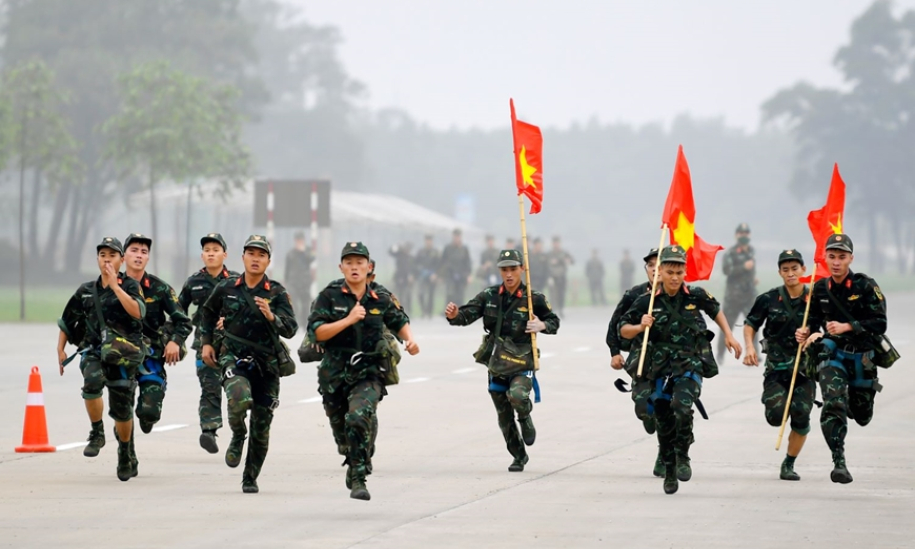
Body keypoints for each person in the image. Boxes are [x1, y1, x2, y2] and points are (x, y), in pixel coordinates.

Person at [620, 245, 742, 495]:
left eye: (679, 271)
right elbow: (623, 329)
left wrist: (728, 334)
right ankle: (669, 465)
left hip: (689, 363)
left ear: (685, 271)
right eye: (669, 271)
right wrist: (640, 327)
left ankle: (683, 455)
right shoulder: (647, 300)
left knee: (682, 408)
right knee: (663, 416)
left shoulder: (695, 295)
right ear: (660, 272)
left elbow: (715, 310)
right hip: (658, 366)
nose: (675, 277)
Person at [308, 241, 420, 501]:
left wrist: (410, 340)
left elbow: (399, 320)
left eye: (360, 263)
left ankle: (358, 478)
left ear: (369, 267)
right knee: (343, 435)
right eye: (349, 263)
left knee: (357, 418)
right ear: (341, 267)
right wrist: (347, 319)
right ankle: (353, 454)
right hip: (334, 374)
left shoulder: (380, 297)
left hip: (369, 371)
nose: (355, 267)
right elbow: (317, 332)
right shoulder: (329, 295)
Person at [445, 249, 560, 473]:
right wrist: (453, 315)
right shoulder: (489, 296)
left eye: (513, 269)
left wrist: (541, 325)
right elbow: (466, 315)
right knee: (503, 414)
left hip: (522, 359)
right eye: (504, 270)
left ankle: (525, 416)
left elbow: (554, 321)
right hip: (497, 360)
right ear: (499, 271)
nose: (509, 274)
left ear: (522, 270)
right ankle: (518, 455)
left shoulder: (532, 298)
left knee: (517, 396)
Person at [199, 235, 298, 493]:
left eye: (261, 255)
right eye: (251, 254)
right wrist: (207, 342)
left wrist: (272, 316)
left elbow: (291, 328)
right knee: (238, 395)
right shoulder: (227, 287)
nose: (255, 259)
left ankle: (250, 477)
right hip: (234, 355)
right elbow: (207, 313)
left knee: (262, 425)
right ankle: (237, 434)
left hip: (267, 363)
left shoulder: (276, 292)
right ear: (242, 257)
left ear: (268, 260)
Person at [800, 234, 894, 484]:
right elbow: (813, 319)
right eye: (832, 257)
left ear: (851, 258)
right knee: (833, 403)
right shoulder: (820, 288)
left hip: (863, 358)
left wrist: (848, 326)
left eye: (842, 257)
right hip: (833, 357)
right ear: (825, 259)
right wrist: (808, 331)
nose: (836, 262)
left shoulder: (865, 286)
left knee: (863, 416)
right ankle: (838, 461)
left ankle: (851, 400)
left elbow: (880, 323)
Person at [57, 237, 146, 481]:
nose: (107, 260)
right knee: (91, 382)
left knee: (122, 410)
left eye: (112, 255)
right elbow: (67, 319)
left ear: (121, 259)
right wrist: (61, 349)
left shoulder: (130, 286)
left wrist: (116, 287)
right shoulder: (86, 290)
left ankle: (125, 452)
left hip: (123, 354)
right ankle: (97, 433)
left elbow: (138, 312)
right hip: (94, 349)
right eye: (102, 255)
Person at [743, 249, 815, 481]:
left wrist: (814, 335)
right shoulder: (768, 298)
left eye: (795, 268)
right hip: (776, 368)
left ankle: (789, 463)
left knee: (801, 414)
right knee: (775, 416)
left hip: (805, 369)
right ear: (780, 272)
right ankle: (775, 403)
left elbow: (830, 326)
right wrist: (750, 347)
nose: (791, 273)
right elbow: (750, 324)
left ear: (804, 270)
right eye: (786, 269)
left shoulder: (815, 299)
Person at [121, 233, 192, 435]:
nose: (139, 256)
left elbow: (183, 321)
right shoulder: (112, 285)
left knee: (150, 413)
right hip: (119, 356)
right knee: (121, 416)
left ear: (148, 258)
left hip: (150, 355)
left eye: (144, 252)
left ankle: (149, 404)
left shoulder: (159, 288)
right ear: (124, 256)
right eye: (134, 250)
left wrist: (175, 342)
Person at [178, 233, 238, 453]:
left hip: (233, 345)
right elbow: (178, 313)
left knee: (235, 391)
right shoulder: (194, 282)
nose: (211, 253)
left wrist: (230, 320)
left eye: (215, 249)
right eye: (207, 250)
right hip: (204, 346)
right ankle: (209, 430)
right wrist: (173, 340)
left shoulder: (236, 281)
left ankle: (238, 433)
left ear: (225, 254)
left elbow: (249, 311)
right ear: (202, 255)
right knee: (210, 387)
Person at [607, 248, 662, 471]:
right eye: (651, 266)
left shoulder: (680, 296)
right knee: (644, 408)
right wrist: (614, 352)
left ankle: (665, 454)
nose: (656, 271)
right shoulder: (635, 296)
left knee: (667, 408)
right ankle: (649, 419)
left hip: (671, 362)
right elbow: (615, 325)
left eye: (661, 267)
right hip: (642, 361)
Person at [718, 223, 757, 362]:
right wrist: (743, 267)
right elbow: (726, 270)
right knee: (727, 326)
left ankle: (754, 354)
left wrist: (753, 279)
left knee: (753, 325)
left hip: (749, 296)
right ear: (736, 235)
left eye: (746, 233)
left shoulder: (751, 251)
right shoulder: (731, 253)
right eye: (741, 233)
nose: (744, 236)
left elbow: (751, 271)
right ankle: (720, 355)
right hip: (733, 297)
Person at [284, 230, 315, 318]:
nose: (299, 242)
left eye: (301, 240)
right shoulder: (290, 253)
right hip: (293, 282)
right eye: (297, 240)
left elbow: (312, 259)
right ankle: (295, 324)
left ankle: (303, 324)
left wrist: (303, 251)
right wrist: (286, 281)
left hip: (305, 282)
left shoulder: (308, 250)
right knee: (294, 304)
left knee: (305, 304)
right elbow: (287, 269)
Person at [439, 228, 472, 305]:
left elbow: (468, 263)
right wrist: (441, 275)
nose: (457, 238)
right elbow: (442, 262)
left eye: (458, 236)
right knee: (450, 295)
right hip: (450, 275)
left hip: (461, 275)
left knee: (460, 296)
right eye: (455, 236)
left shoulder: (464, 249)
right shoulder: (448, 248)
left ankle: (459, 313)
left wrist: (469, 275)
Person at [414, 234, 441, 319]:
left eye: (430, 240)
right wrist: (418, 272)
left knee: (431, 294)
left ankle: (429, 312)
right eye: (427, 240)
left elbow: (439, 264)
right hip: (422, 275)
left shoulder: (435, 252)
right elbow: (415, 263)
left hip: (432, 276)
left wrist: (436, 274)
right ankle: (423, 310)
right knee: (420, 294)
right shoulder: (421, 252)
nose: (428, 242)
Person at [546, 236, 574, 316]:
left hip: (562, 276)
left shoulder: (564, 253)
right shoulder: (549, 254)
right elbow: (546, 265)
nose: (556, 245)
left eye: (557, 243)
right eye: (554, 243)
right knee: (553, 294)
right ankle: (553, 310)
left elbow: (572, 261)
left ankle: (561, 309)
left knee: (561, 294)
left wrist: (567, 260)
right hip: (552, 277)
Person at [388, 241, 415, 315]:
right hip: (399, 277)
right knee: (399, 295)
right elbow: (391, 251)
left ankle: (409, 310)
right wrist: (397, 246)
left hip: (407, 278)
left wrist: (411, 275)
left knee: (408, 294)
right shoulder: (400, 255)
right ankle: (399, 309)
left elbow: (412, 268)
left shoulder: (410, 258)